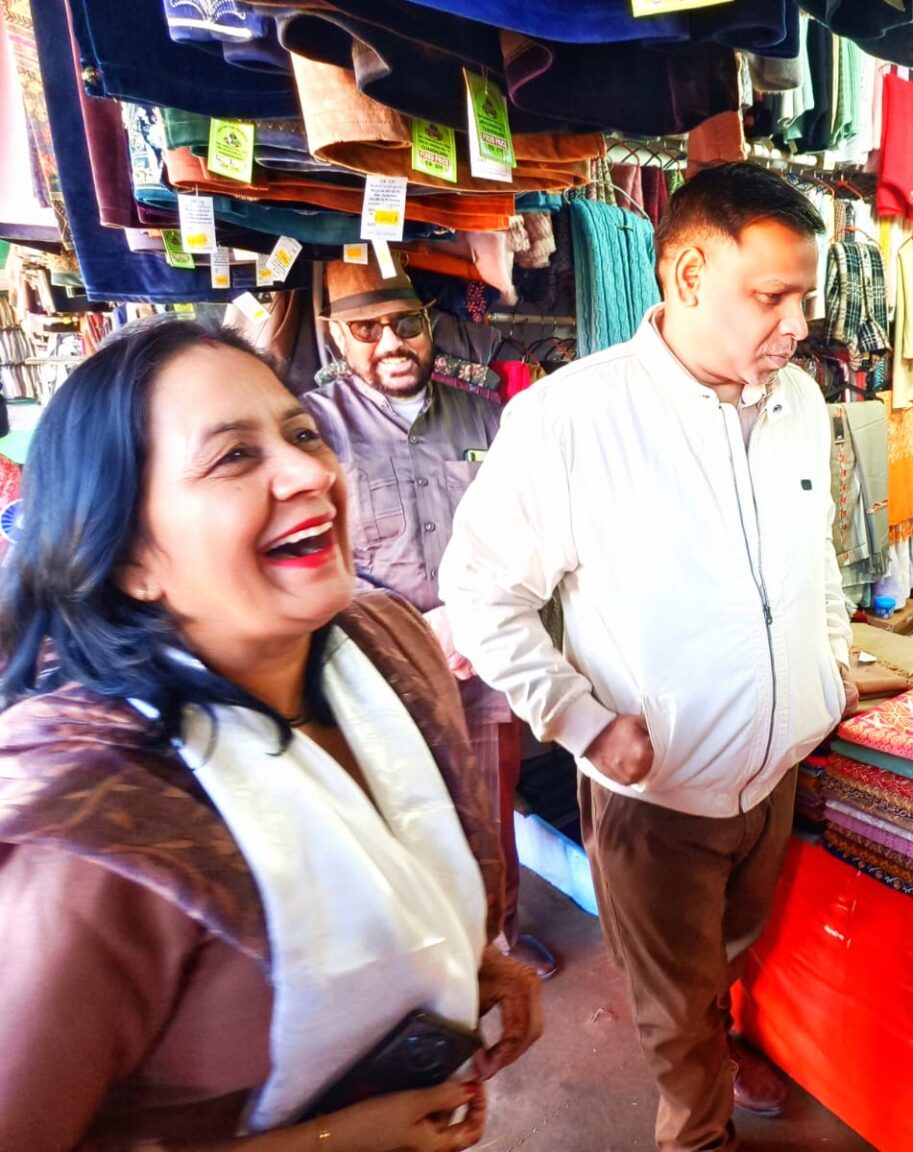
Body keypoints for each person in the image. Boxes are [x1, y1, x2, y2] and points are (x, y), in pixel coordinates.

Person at [0, 319, 541, 1151]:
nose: (312, 473)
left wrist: (464, 968)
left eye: (301, 434)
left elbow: (396, 869)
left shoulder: (384, 644)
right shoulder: (86, 834)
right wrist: (335, 1141)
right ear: (129, 556)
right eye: (234, 457)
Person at [441, 162, 857, 1152]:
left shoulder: (796, 398)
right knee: (674, 1005)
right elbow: (482, 596)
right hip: (656, 794)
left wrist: (830, 665)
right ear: (684, 275)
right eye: (771, 297)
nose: (796, 323)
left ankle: (719, 1048)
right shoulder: (570, 419)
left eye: (805, 295)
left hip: (778, 775)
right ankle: (693, 1129)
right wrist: (580, 719)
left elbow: (819, 550)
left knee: (735, 953)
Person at [302, 261, 556, 979]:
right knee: (395, 816)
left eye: (405, 324)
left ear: (429, 322)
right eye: (365, 329)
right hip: (377, 670)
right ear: (336, 337)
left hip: (482, 660)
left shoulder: (484, 414)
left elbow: (525, 529)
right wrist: (416, 628)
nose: (390, 343)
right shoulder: (311, 434)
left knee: (487, 811)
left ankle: (496, 940)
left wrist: (476, 620)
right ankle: (421, 962)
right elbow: (313, 560)